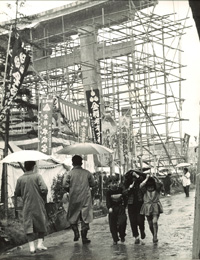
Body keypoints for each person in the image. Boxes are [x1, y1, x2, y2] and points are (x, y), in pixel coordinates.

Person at [14, 161, 48, 254]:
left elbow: (17, 192)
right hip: (38, 203)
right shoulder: (37, 176)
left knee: (28, 224)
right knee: (41, 222)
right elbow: (44, 189)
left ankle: (32, 248)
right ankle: (40, 244)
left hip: (27, 204)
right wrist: (42, 195)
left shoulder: (20, 179)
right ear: (33, 167)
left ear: (24, 167)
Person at [63, 155, 95, 244]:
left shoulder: (69, 174)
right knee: (85, 217)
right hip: (85, 198)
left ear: (72, 163)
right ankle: (84, 237)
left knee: (72, 216)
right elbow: (93, 184)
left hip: (74, 198)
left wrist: (70, 189)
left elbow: (65, 185)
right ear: (81, 162)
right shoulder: (87, 173)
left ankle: (76, 232)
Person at [124, 170, 146, 245]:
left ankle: (142, 231)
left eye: (135, 177)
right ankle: (136, 236)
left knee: (140, 219)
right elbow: (124, 192)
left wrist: (137, 176)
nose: (134, 179)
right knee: (133, 221)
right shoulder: (127, 183)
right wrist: (129, 188)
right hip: (131, 203)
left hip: (140, 202)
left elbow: (144, 179)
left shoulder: (140, 181)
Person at [140, 174, 163, 244]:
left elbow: (161, 183)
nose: (150, 188)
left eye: (152, 187)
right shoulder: (144, 191)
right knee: (150, 224)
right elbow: (141, 186)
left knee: (154, 222)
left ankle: (155, 235)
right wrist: (146, 179)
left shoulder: (157, 190)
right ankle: (154, 235)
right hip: (147, 207)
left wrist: (156, 177)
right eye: (149, 187)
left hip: (155, 206)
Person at [106, 175, 127, 245]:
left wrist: (124, 206)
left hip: (120, 208)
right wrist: (109, 208)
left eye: (115, 182)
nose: (114, 184)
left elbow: (125, 198)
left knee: (122, 222)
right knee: (112, 224)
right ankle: (115, 239)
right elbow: (108, 201)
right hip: (112, 209)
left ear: (118, 183)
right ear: (109, 184)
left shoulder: (120, 190)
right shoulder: (108, 192)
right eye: (112, 183)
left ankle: (122, 235)